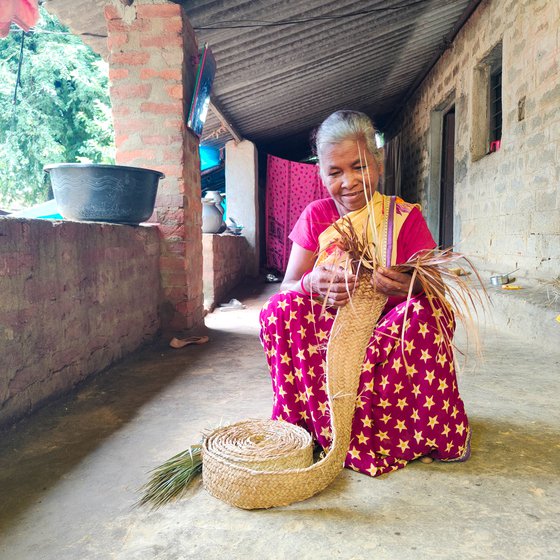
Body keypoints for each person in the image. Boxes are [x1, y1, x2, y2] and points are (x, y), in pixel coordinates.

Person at [259, 110, 470, 477]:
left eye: (359, 167)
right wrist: (311, 283)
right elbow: (288, 286)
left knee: (427, 313)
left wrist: (412, 285)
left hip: (383, 341)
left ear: (378, 163)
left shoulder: (404, 217)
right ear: (320, 174)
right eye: (335, 172)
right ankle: (310, 426)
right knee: (279, 310)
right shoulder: (315, 216)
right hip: (327, 342)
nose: (349, 182)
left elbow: (436, 283)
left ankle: (414, 431)